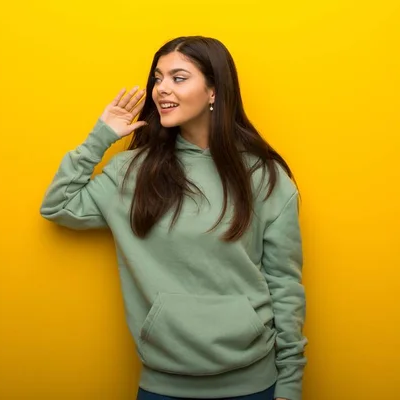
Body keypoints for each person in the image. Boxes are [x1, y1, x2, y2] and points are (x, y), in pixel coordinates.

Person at [39, 36, 307, 400]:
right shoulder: (133, 173)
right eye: (157, 78)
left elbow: (285, 286)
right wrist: (101, 137)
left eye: (178, 78)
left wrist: (289, 386)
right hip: (162, 386)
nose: (161, 89)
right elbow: (58, 205)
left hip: (255, 384)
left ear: (214, 91)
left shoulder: (264, 176)